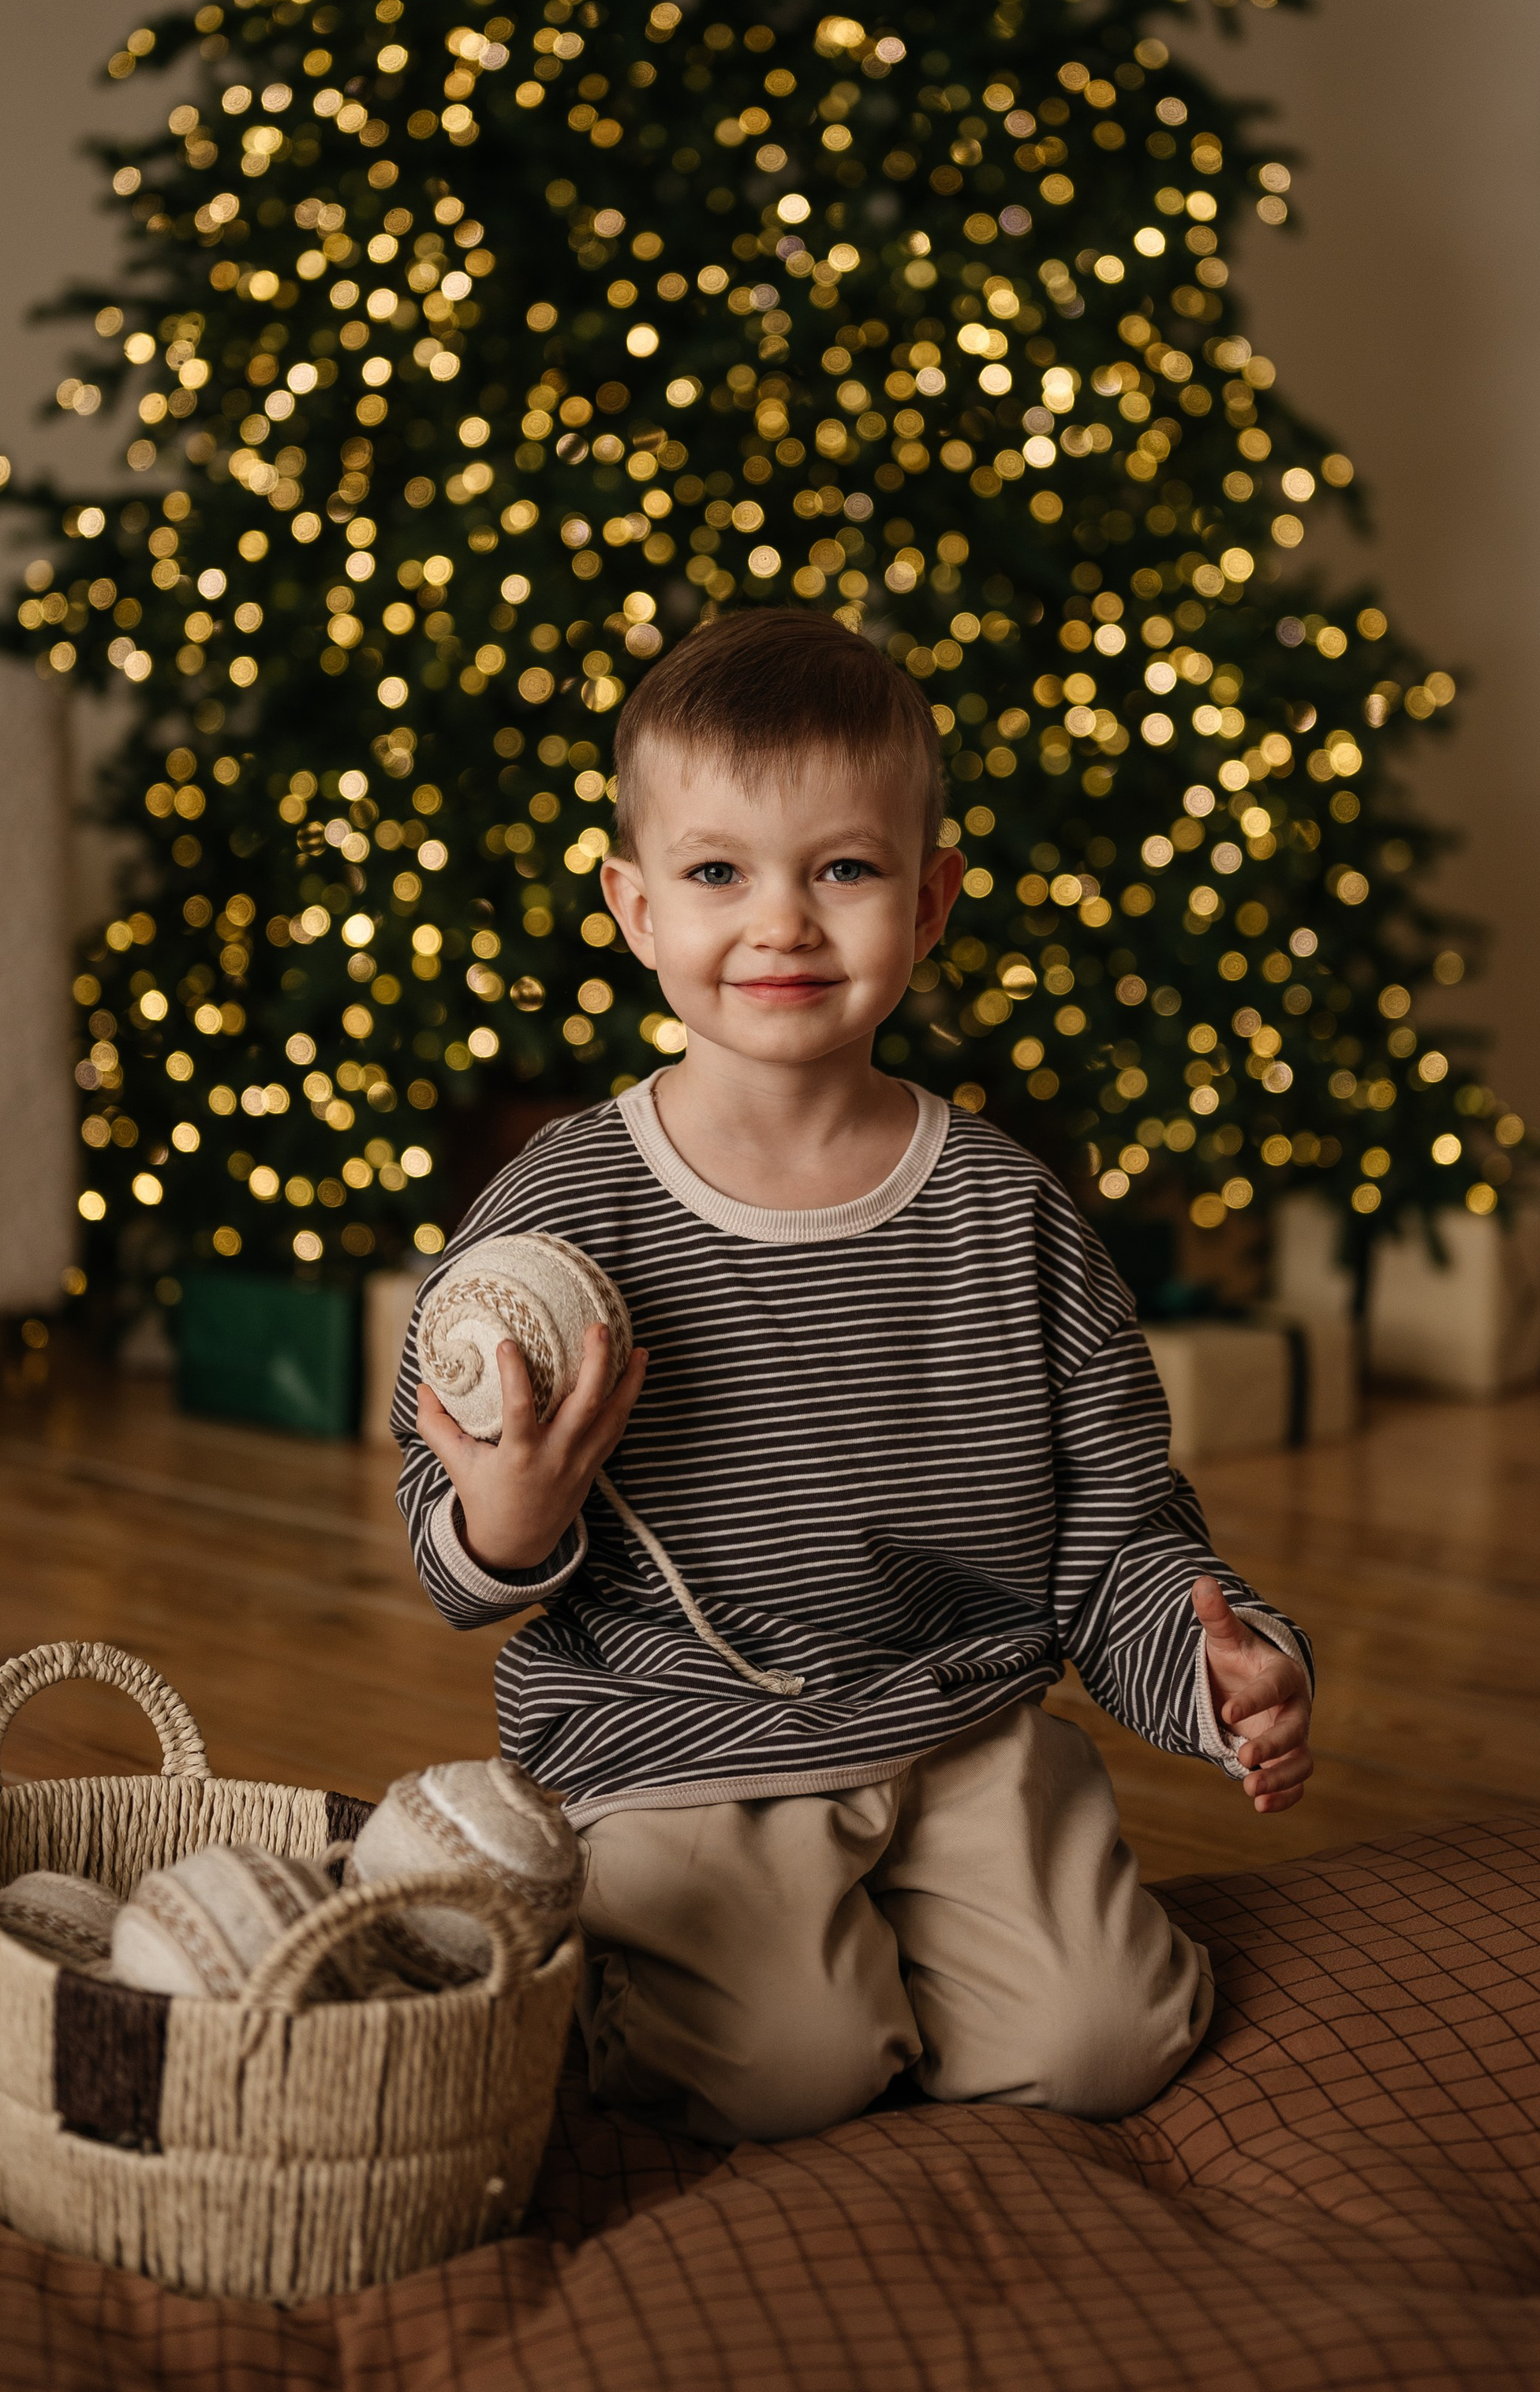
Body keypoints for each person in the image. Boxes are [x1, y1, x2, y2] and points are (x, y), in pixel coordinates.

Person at [394, 607, 1314, 2144]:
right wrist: (505, 1516)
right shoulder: (562, 1210)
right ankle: (613, 1955)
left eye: (841, 869)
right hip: (673, 1739)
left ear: (929, 897)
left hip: (951, 1721)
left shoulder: (1008, 1215)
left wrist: (1222, 1673)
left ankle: (905, 1934)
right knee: (789, 2063)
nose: (780, 924)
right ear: (630, 905)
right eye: (714, 873)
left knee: (1108, 2036)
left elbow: (1118, 1526)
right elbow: (447, 1547)